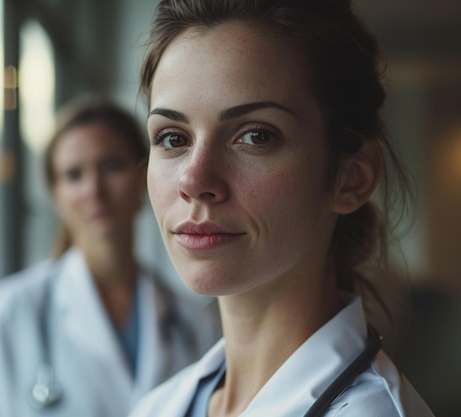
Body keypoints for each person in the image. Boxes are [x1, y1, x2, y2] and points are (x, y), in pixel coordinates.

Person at [129, 0, 435, 416]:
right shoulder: (159, 407)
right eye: (172, 138)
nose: (194, 181)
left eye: (255, 136)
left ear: (352, 178)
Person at [0, 97, 221, 417]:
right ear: (56, 196)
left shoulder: (192, 321)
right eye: (74, 175)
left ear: (145, 178)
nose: (94, 189)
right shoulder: (17, 310)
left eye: (111, 166)